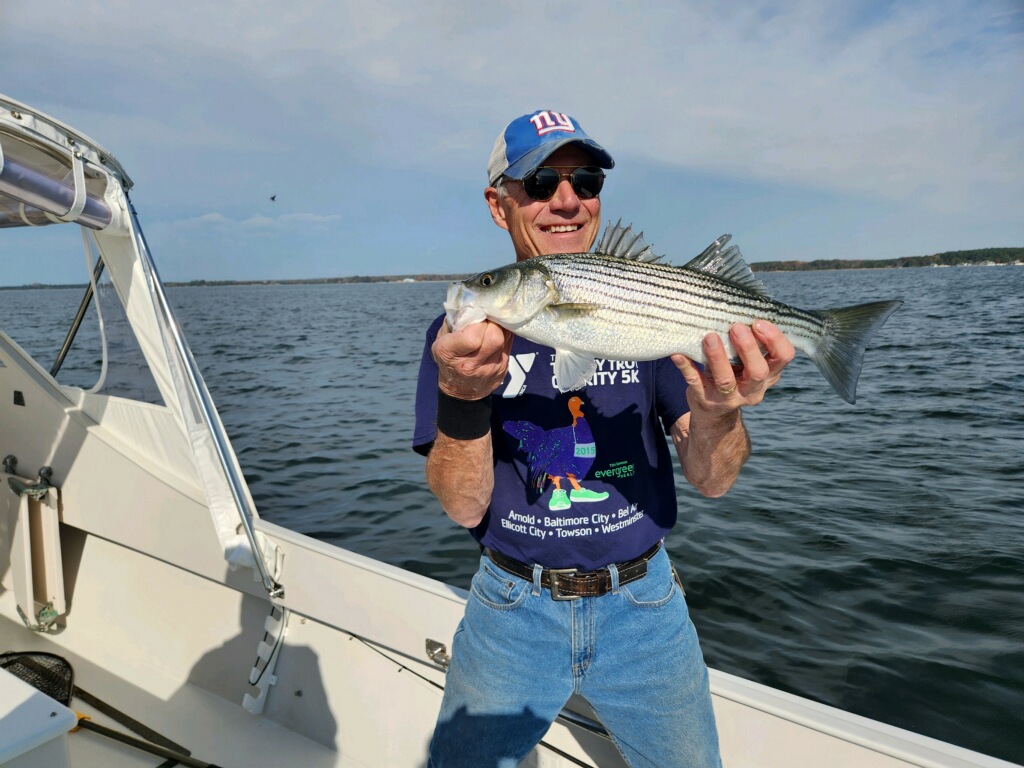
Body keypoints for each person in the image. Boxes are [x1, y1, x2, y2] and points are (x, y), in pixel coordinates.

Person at [413, 109, 795, 768]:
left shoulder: (645, 318)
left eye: (585, 180)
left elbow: (714, 479)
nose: (566, 200)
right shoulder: (458, 345)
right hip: (511, 606)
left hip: (646, 608)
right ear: (499, 205)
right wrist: (464, 398)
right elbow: (464, 507)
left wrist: (721, 412)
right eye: (538, 183)